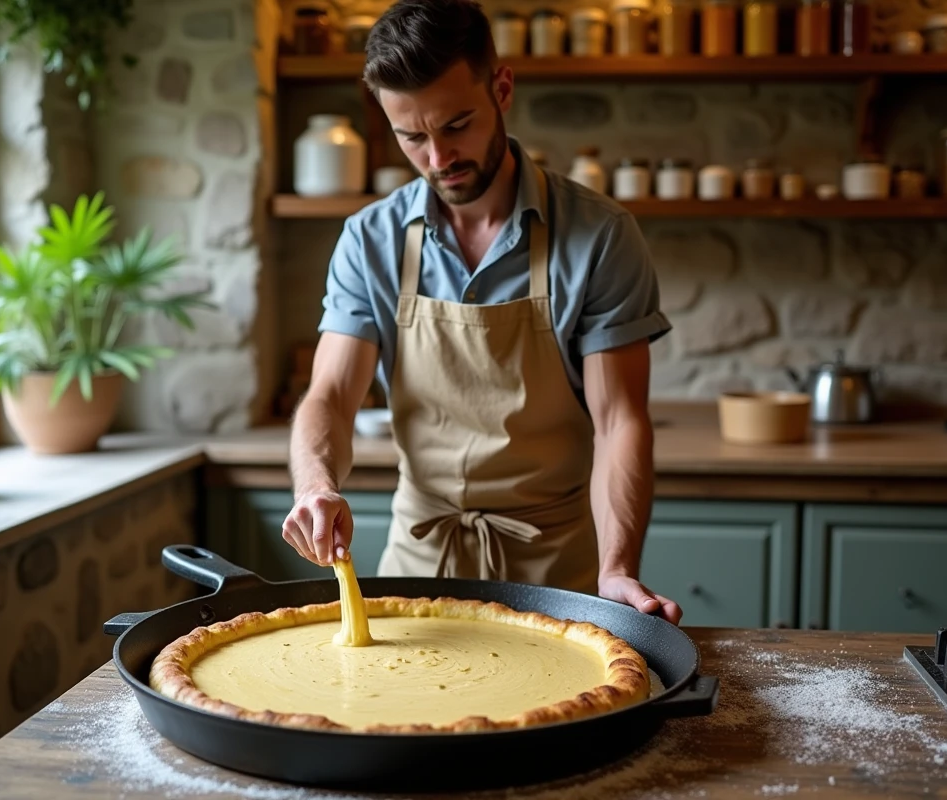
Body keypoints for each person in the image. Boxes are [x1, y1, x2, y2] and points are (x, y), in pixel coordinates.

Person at [282, 0, 681, 623]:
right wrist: (315, 487)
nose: (438, 158)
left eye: (457, 124)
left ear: (501, 88)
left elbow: (619, 420)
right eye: (412, 136)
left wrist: (618, 568)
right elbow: (330, 397)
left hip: (562, 576)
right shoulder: (370, 240)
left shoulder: (599, 236)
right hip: (415, 569)